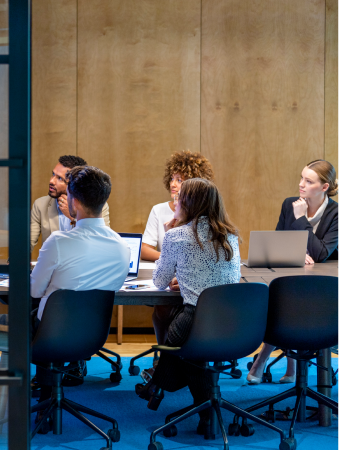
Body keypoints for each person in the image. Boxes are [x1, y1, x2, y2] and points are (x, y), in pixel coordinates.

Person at [0, 166, 130, 437]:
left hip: (45, 335)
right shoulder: (121, 247)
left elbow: (34, 291)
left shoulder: (59, 242)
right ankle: (49, 397)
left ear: (74, 200)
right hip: (92, 339)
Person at [135, 178, 240, 433]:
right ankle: (201, 410)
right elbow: (225, 278)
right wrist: (186, 279)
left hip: (196, 321)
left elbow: (159, 281)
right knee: (192, 356)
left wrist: (172, 231)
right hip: (233, 323)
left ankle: (157, 384)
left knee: (181, 344)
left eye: (179, 198)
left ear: (189, 204)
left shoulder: (177, 235)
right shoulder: (230, 235)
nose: (175, 202)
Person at [247, 159, 339, 385]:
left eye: (308, 181)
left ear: (324, 187)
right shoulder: (290, 204)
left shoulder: (336, 213)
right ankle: (291, 368)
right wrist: (296, 253)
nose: (301, 184)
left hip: (325, 287)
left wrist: (301, 219)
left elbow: (320, 253)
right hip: (296, 277)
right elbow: (279, 243)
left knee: (289, 305)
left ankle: (263, 360)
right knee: (282, 300)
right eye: (301, 178)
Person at [141, 151, 215, 376]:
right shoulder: (159, 209)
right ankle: (167, 361)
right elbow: (144, 248)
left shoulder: (208, 213)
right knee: (163, 306)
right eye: (172, 178)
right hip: (174, 275)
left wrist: (176, 263)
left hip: (195, 282)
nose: (174, 184)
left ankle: (171, 367)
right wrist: (171, 260)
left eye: (180, 180)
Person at [30, 155, 110, 254]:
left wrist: (73, 217)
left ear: (74, 184)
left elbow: (102, 242)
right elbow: (27, 242)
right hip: (53, 265)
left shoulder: (97, 205)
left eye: (59, 178)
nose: (51, 181)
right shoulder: (41, 205)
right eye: (53, 174)